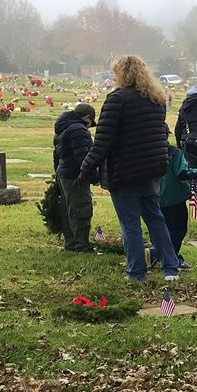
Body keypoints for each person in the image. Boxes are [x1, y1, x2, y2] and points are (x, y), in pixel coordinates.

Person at [79, 55, 181, 282]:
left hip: (125, 171)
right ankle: (170, 267)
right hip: (152, 168)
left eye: (116, 73)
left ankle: (136, 272)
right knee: (156, 219)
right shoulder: (157, 100)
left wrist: (86, 167)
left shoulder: (117, 100)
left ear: (122, 75)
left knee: (130, 223)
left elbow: (104, 140)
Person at [53, 103, 98, 251]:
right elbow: (83, 157)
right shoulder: (79, 129)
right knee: (81, 208)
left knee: (68, 210)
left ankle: (71, 243)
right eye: (90, 123)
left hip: (63, 173)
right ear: (87, 117)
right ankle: (82, 245)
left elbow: (57, 154)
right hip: (75, 175)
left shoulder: (63, 127)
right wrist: (94, 176)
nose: (89, 128)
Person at [157, 125, 197, 271]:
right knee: (178, 229)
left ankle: (166, 256)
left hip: (153, 198)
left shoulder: (146, 153)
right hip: (174, 198)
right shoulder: (174, 153)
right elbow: (182, 172)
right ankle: (167, 257)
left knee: (161, 229)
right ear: (167, 135)